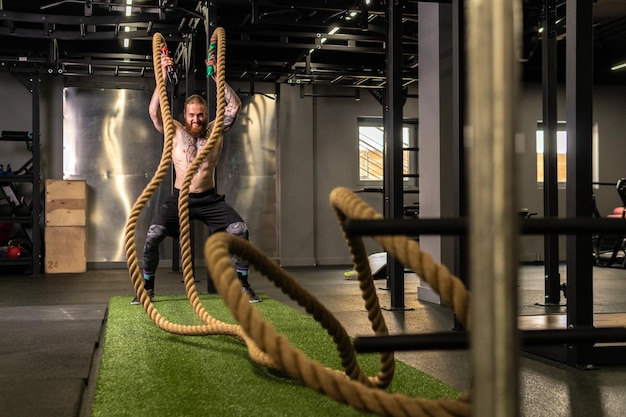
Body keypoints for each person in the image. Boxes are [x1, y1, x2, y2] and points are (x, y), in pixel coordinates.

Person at [132, 45, 261, 304]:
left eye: (200, 115)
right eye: (192, 115)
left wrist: (217, 76)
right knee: (153, 235)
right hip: (180, 198)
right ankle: (147, 287)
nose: (196, 119)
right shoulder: (176, 131)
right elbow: (154, 113)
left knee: (240, 230)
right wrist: (164, 78)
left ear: (206, 115)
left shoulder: (215, 131)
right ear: (184, 115)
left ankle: (243, 284)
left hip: (210, 200)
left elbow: (234, 107)